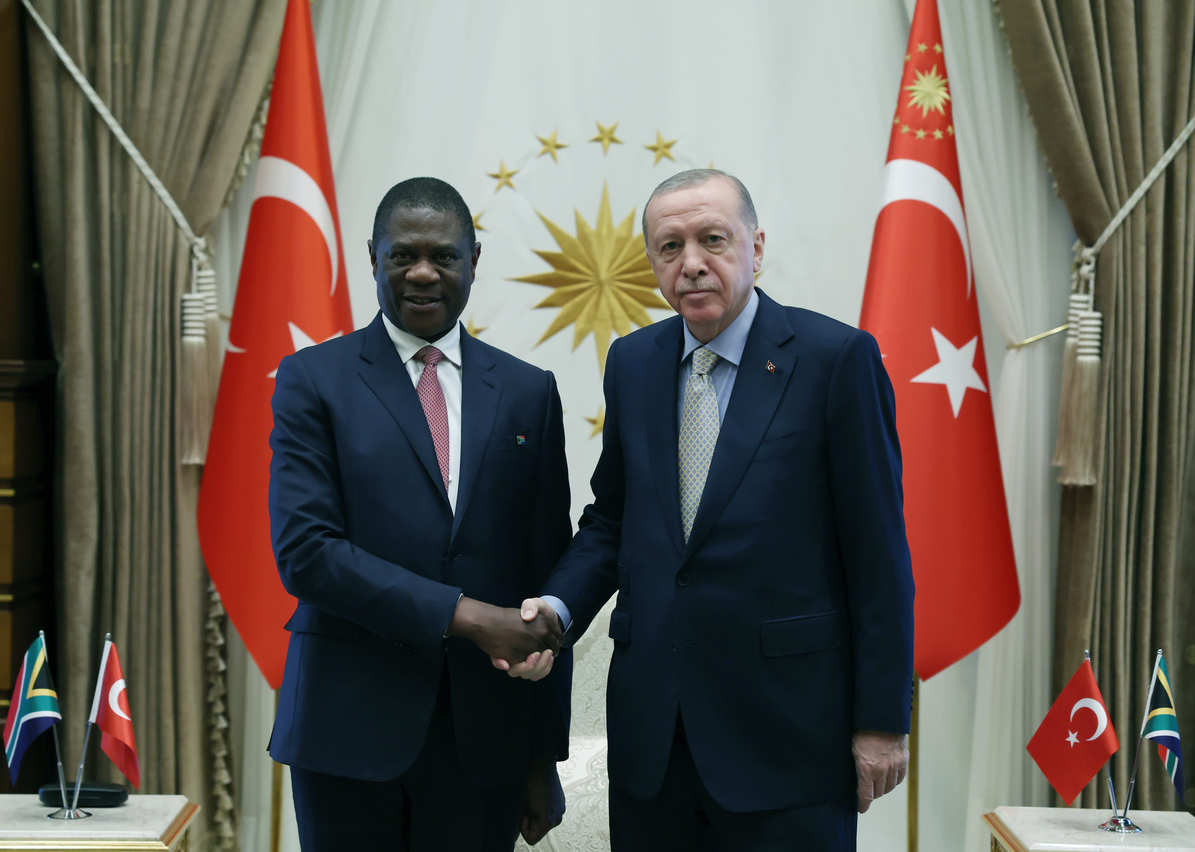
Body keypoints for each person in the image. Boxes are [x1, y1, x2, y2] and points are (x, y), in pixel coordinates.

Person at [512, 169, 915, 851]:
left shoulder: (835, 358)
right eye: (670, 247)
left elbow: (877, 551)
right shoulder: (634, 363)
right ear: (652, 265)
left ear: (756, 246)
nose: (691, 262)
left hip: (787, 737)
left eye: (713, 239)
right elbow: (613, 519)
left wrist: (882, 721)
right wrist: (555, 609)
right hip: (655, 740)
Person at [268, 177, 573, 851]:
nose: (423, 273)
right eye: (402, 255)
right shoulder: (313, 379)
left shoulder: (528, 393)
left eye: (444, 255)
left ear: (475, 259)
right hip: (346, 731)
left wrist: (541, 755)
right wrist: (468, 618)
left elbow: (546, 568)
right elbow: (307, 553)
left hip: (485, 742)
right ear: (372, 256)